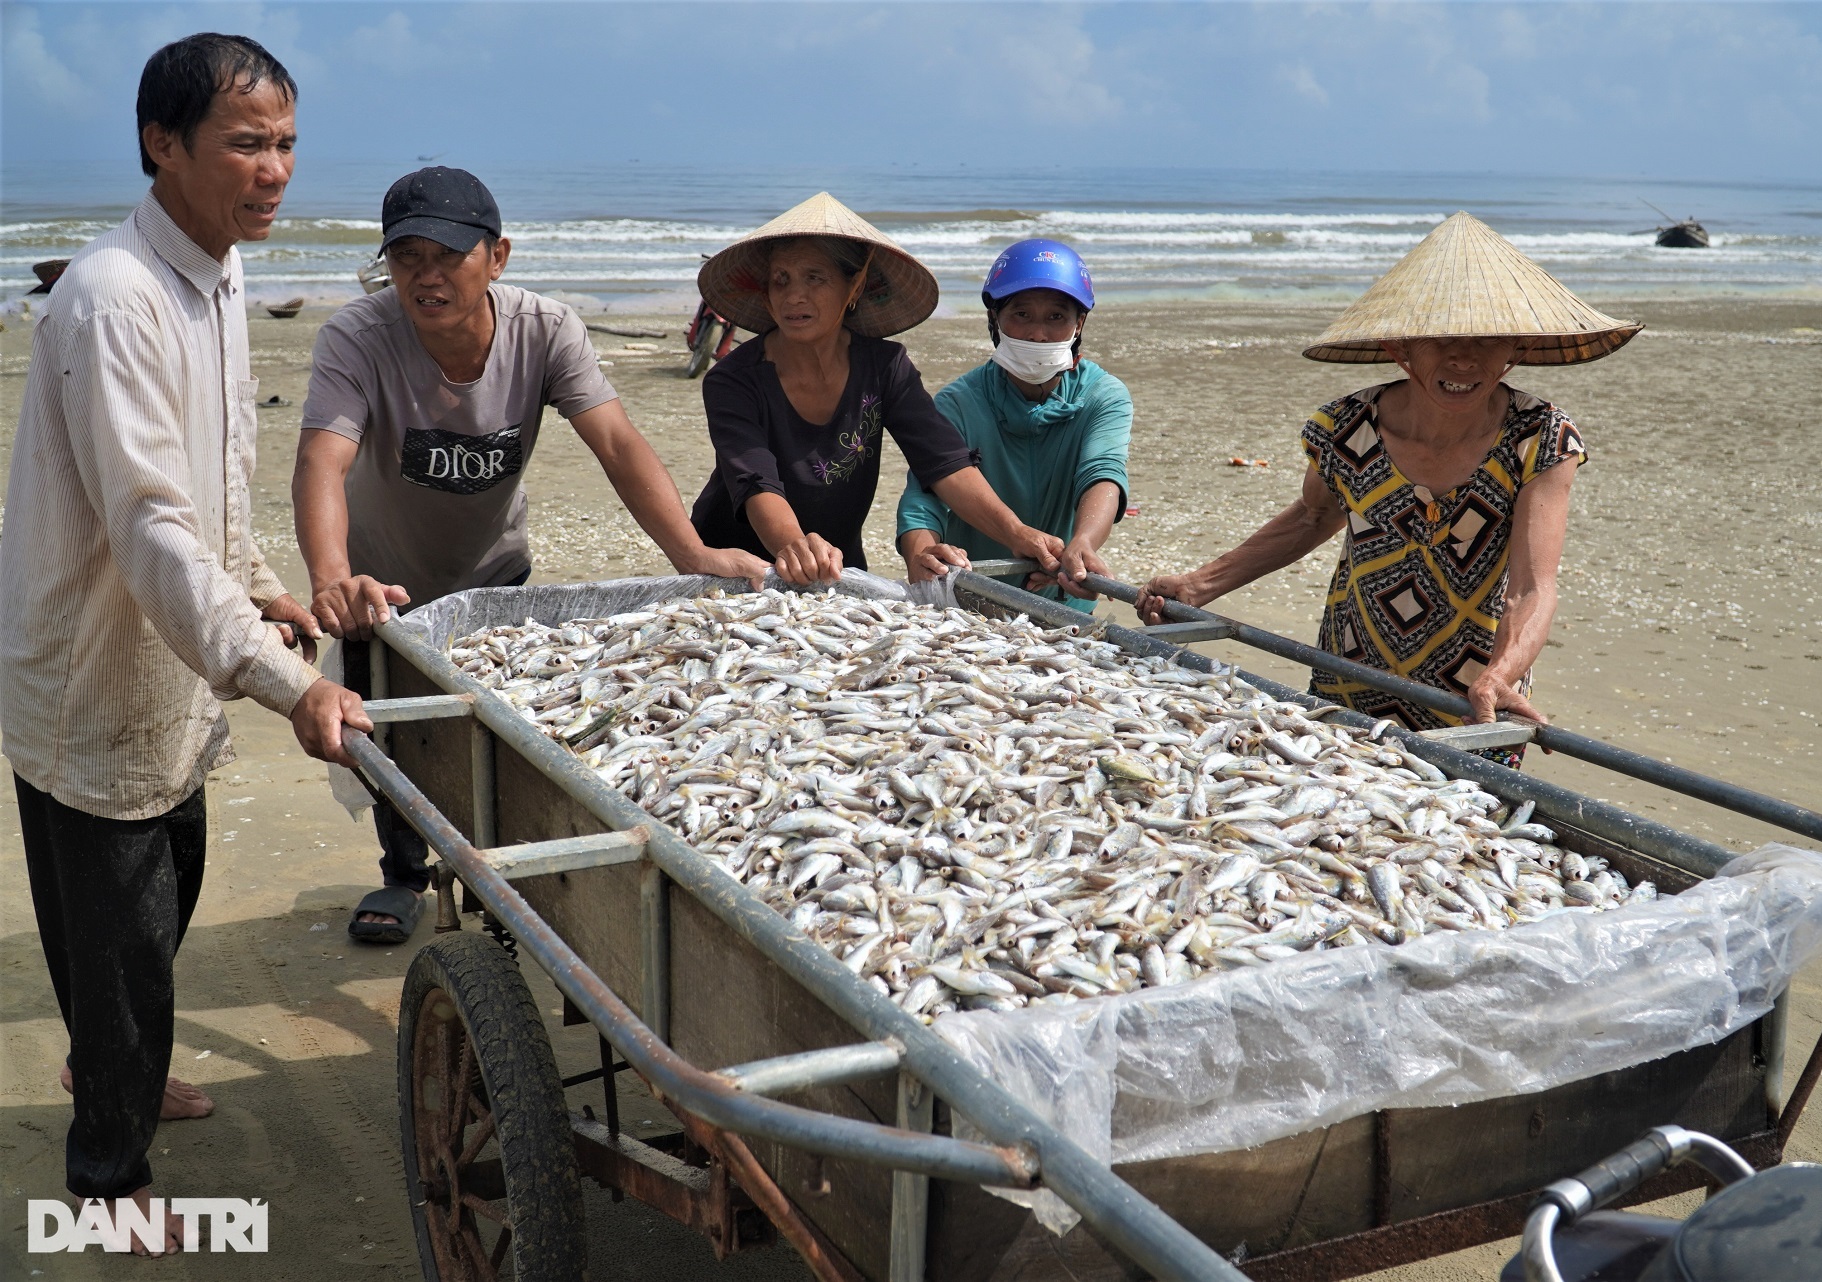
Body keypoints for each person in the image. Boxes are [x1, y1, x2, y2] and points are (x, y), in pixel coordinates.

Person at [0, 34, 370, 1255]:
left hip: (172, 669)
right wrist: (284, 677)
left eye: (286, 143)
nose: (276, 171)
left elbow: (216, 493)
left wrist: (271, 589)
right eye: (247, 144)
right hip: (91, 673)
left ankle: (125, 1067)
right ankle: (106, 1182)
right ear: (164, 145)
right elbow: (153, 529)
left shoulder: (211, 275)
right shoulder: (114, 299)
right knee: (115, 947)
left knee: (150, 918)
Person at [294, 166, 766, 944]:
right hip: (380, 583)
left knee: (498, 733)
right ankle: (404, 877)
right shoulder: (358, 337)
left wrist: (694, 553)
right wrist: (331, 580)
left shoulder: (545, 329)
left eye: (447, 255)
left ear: (498, 256)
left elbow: (615, 440)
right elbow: (322, 461)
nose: (427, 275)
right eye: (407, 257)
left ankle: (495, 879)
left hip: (494, 571)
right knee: (388, 734)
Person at [1138, 213, 1642, 764]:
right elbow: (1313, 517)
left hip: (1474, 692)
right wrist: (1200, 585)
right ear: (1400, 348)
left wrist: (1503, 674)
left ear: (1516, 348)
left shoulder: (1540, 439)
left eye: (1487, 339)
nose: (1463, 359)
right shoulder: (1349, 428)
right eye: (1440, 338)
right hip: (1350, 672)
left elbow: (1530, 587)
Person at [689, 192, 1063, 586]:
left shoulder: (885, 367)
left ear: (855, 286)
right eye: (780, 280)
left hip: (836, 569)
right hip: (736, 569)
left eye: (814, 278)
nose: (793, 296)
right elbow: (754, 482)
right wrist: (795, 545)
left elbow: (945, 463)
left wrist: (1017, 533)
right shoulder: (732, 380)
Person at [897, 239, 1132, 611]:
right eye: (1021, 314)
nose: (1038, 334)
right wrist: (921, 552)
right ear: (995, 319)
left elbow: (1103, 473)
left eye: (1056, 317)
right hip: (969, 598)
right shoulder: (958, 402)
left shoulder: (1103, 396)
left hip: (1062, 598)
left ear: (1079, 323)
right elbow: (923, 498)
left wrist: (1083, 543)